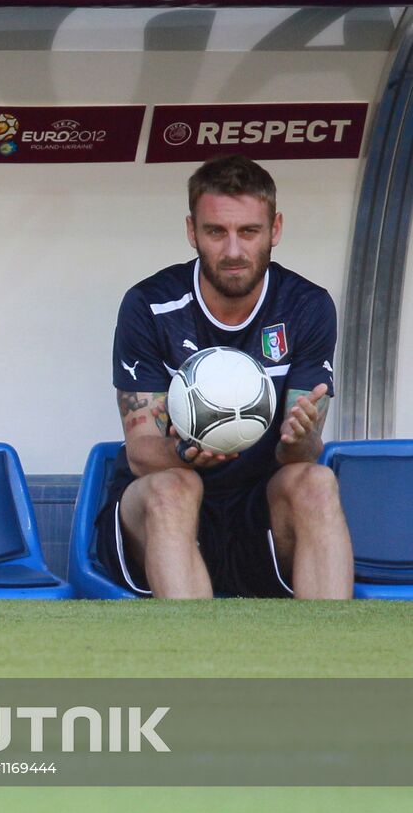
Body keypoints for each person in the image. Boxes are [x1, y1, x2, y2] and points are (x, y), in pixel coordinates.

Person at [99, 154, 353, 599]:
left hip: (262, 508)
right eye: (216, 231)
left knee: (317, 482)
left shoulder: (307, 307)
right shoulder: (150, 305)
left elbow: (304, 453)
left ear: (274, 229)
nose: (233, 250)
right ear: (191, 231)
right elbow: (141, 453)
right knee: (176, 488)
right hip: (165, 509)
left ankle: (331, 659)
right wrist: (182, 452)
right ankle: (193, 663)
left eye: (248, 231)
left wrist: (301, 440)